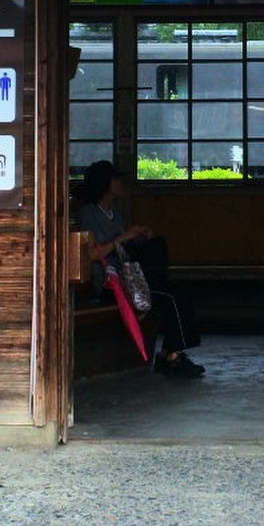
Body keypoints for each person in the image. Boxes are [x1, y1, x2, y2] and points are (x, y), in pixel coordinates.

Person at [74, 159, 204, 377]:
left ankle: (172, 353)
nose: (120, 184)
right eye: (116, 179)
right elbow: (91, 255)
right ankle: (170, 357)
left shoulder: (114, 212)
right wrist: (124, 236)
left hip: (128, 278)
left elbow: (124, 245)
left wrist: (139, 236)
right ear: (106, 184)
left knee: (177, 288)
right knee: (170, 296)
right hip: (109, 284)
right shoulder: (88, 214)